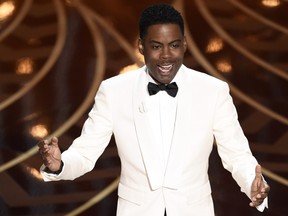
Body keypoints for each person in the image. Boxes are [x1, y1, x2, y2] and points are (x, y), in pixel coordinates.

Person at [38, 3, 270, 216]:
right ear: (141, 46)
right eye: (157, 46)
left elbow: (236, 154)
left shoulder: (213, 91)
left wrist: (252, 183)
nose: (167, 55)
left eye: (174, 45)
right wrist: (60, 165)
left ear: (185, 44)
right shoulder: (114, 91)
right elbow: (86, 153)